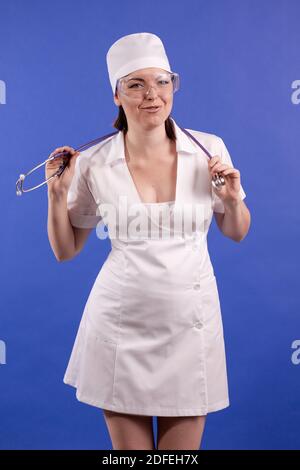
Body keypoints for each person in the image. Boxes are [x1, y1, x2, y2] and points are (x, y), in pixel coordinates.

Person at [46, 32, 251, 450]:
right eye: (135, 84)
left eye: (161, 82)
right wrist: (55, 195)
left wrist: (231, 199)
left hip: (190, 327)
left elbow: (236, 231)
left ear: (173, 86)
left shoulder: (208, 150)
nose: (151, 95)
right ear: (117, 96)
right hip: (122, 328)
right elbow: (66, 251)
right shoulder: (95, 163)